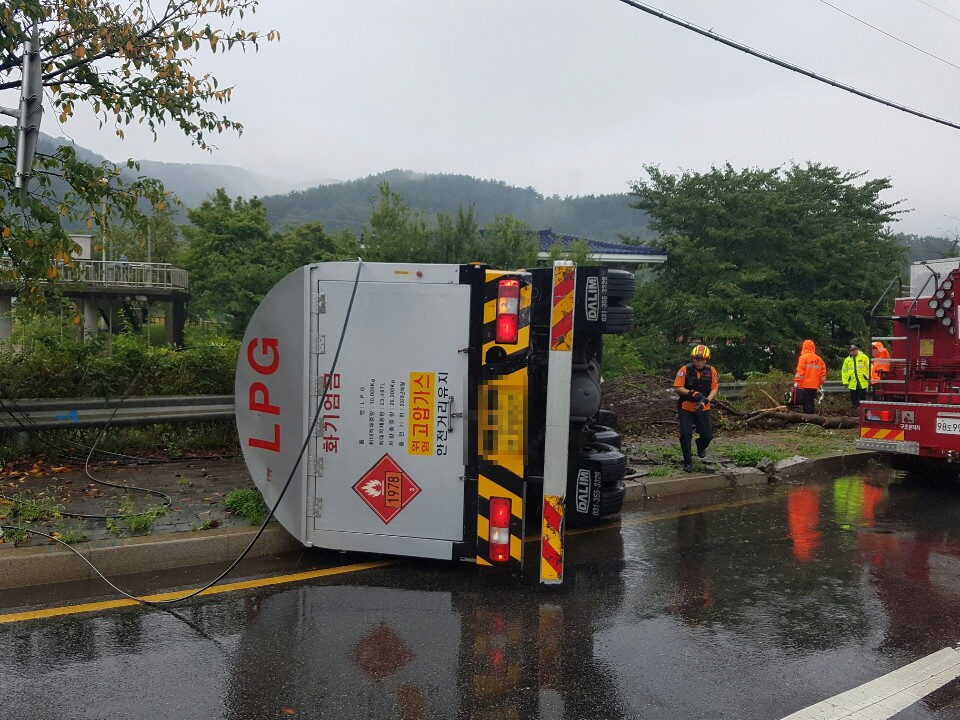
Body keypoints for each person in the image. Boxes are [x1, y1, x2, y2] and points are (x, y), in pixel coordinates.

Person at [673, 344, 719, 473]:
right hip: (686, 407)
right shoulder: (684, 369)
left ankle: (700, 446)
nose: (699, 362)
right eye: (697, 359)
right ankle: (688, 462)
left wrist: (706, 400)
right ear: (693, 359)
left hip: (703, 408)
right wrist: (691, 393)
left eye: (702, 360)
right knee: (686, 434)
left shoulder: (711, 371)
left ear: (706, 360)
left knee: (707, 436)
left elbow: (715, 388)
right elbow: (677, 387)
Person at [793, 339, 826, 415]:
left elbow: (800, 371)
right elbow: (823, 372)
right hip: (814, 385)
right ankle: (813, 417)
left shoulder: (803, 357)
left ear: (804, 347)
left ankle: (808, 418)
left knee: (805, 401)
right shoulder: (819, 359)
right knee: (811, 401)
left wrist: (797, 381)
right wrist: (820, 383)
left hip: (805, 384)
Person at [840, 344, 870, 410]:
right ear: (849, 352)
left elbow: (869, 367)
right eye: (852, 350)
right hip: (852, 382)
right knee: (853, 397)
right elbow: (844, 371)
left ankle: (863, 410)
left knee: (862, 396)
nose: (854, 351)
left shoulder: (863, 357)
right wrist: (845, 381)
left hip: (862, 381)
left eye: (855, 350)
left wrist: (869, 377)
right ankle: (854, 410)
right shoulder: (847, 360)